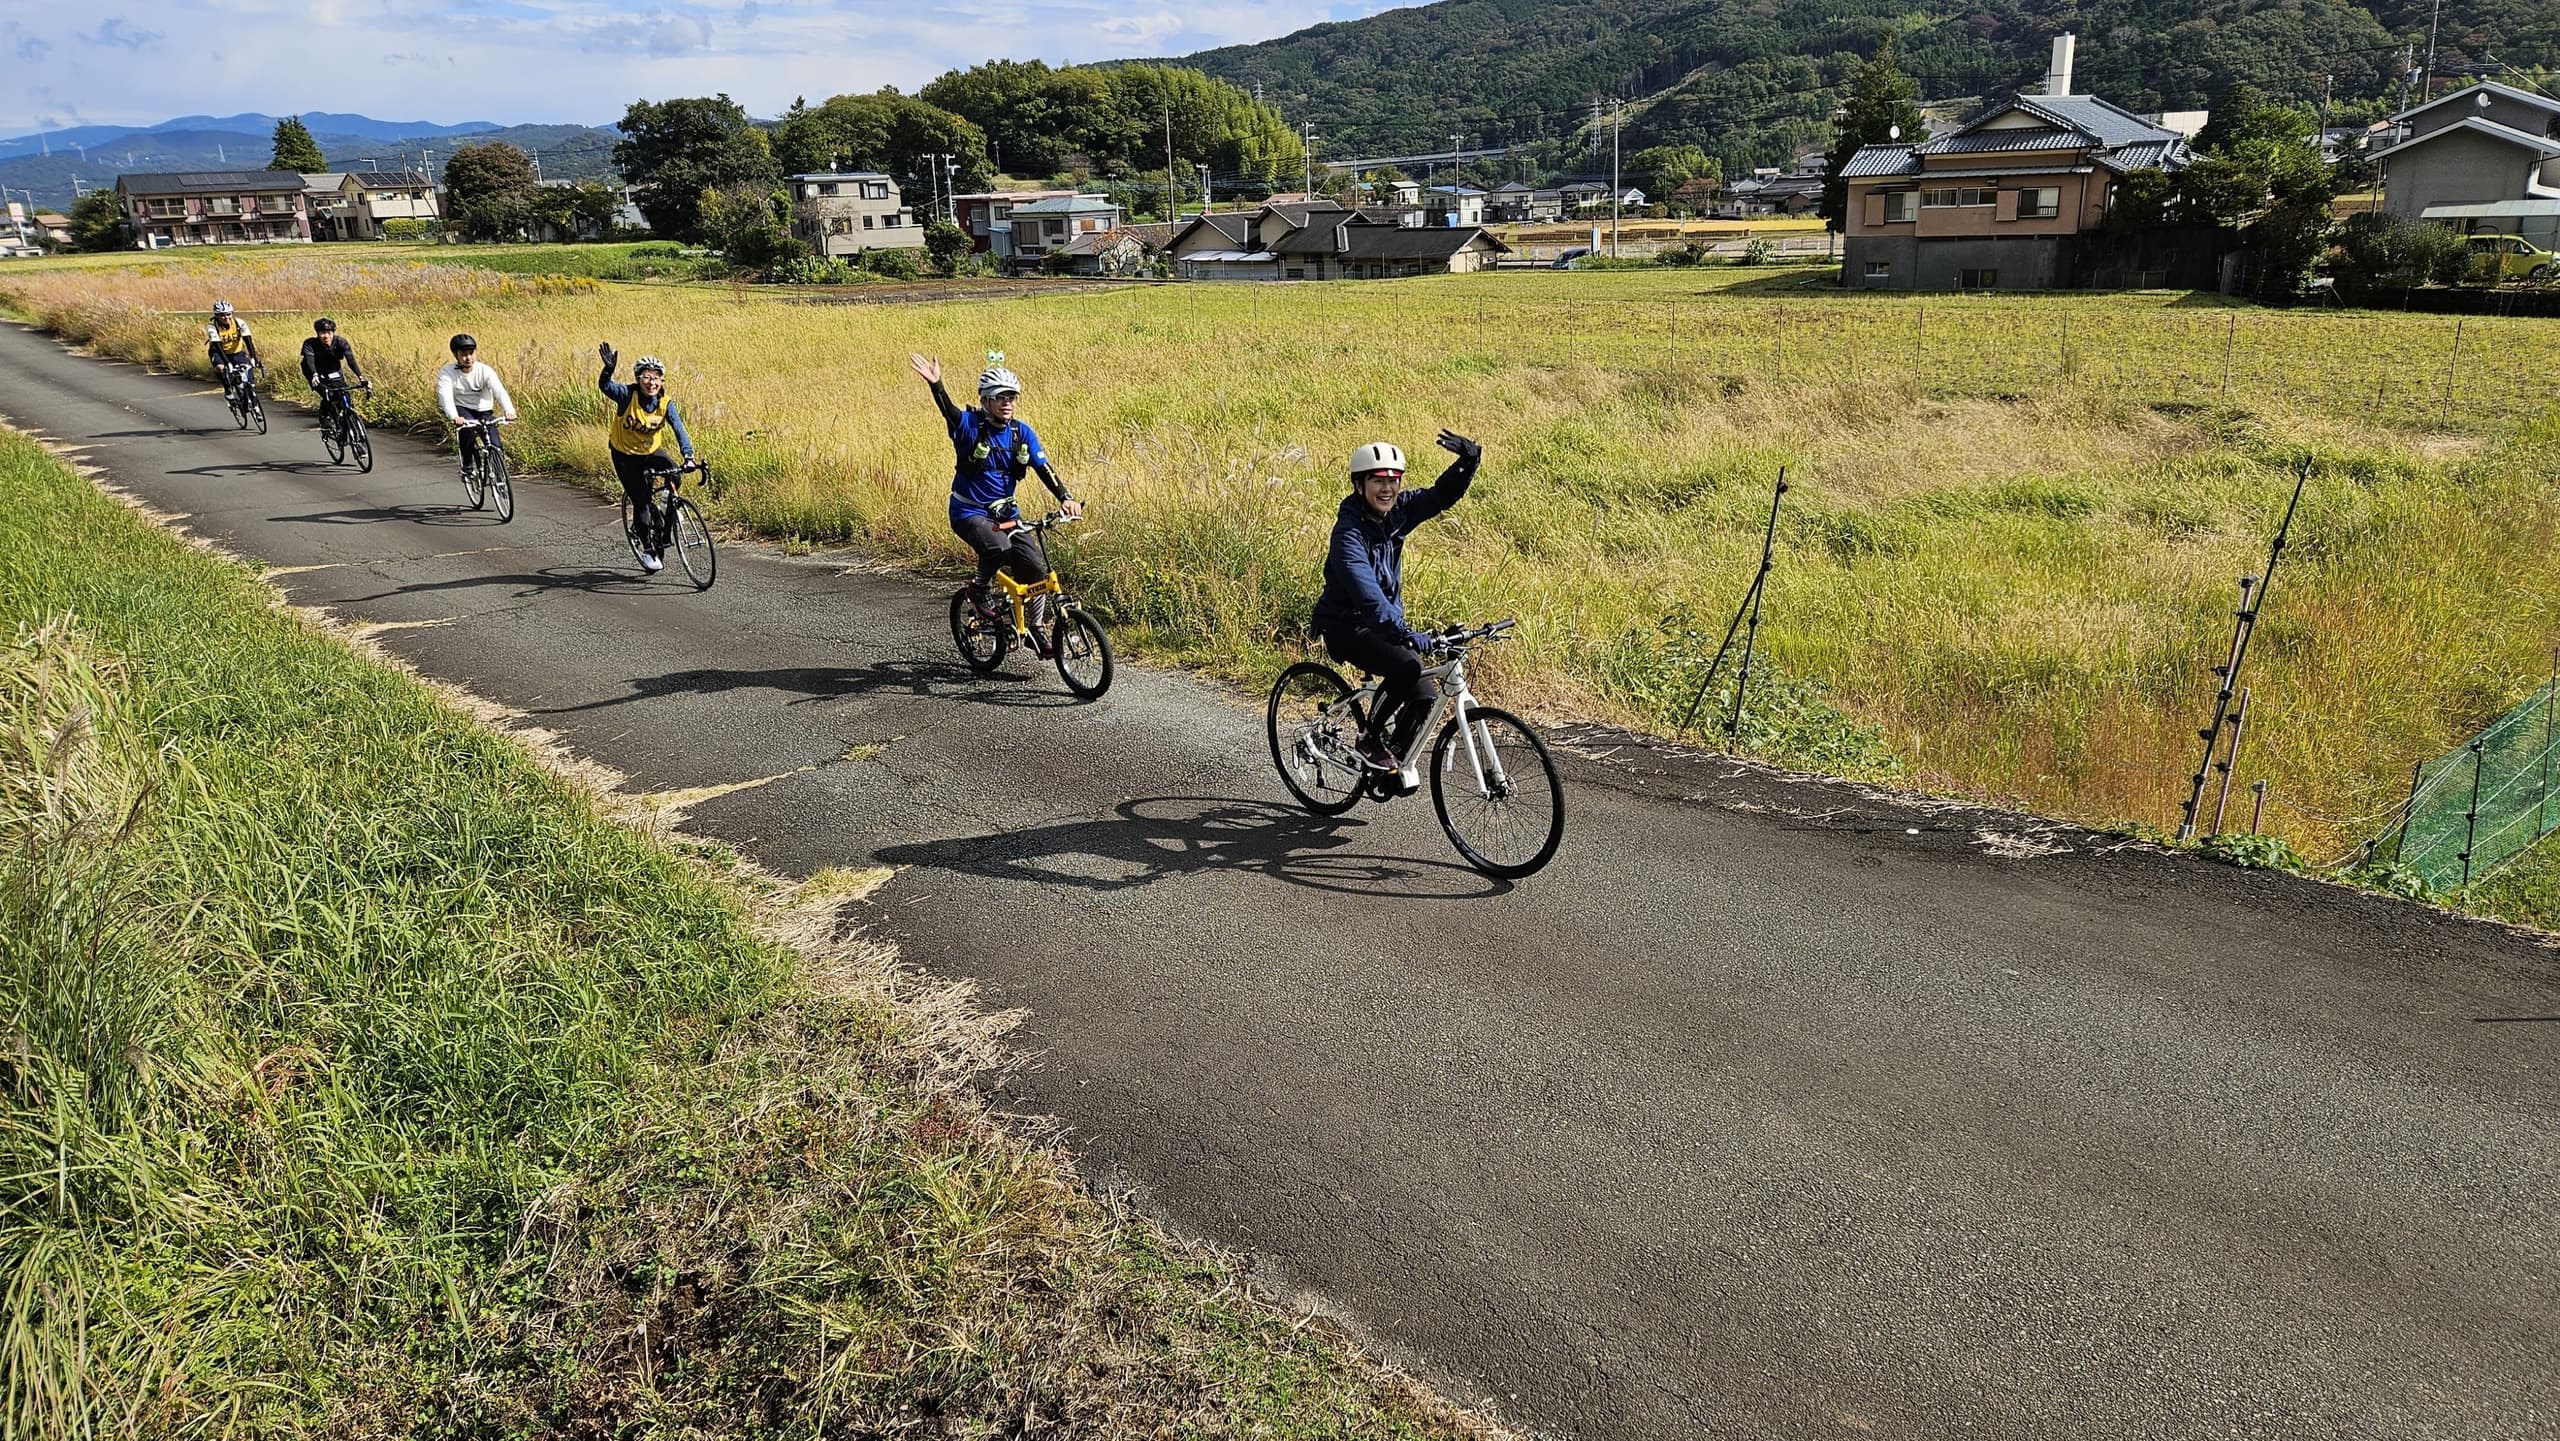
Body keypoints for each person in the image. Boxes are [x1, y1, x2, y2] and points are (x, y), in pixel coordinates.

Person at [1309, 429, 1481, 782]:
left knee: (1425, 696)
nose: (1388, 488)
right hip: (1346, 625)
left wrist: (1468, 463)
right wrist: (1404, 632)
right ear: (1360, 485)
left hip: (1381, 624)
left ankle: (1389, 765)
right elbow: (1369, 597)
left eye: (1394, 480)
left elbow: (1438, 497)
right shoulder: (1348, 535)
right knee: (1406, 667)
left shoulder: (1398, 513)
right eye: (1378, 481)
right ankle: (1368, 738)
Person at [907, 350, 1083, 647]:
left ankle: (1034, 627)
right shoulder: (969, 427)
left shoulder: (1021, 433)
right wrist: (937, 385)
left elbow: (1043, 467)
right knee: (998, 548)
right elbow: (949, 411)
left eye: (1012, 397)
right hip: (969, 511)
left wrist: (1065, 497)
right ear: (986, 400)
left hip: (1006, 513)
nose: (1008, 403)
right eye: (1001, 397)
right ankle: (978, 589)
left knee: (1035, 570)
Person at [596, 342, 696, 574]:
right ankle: (648, 549)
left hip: (651, 451)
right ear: (638, 379)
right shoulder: (626, 395)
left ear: (662, 381)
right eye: (646, 377)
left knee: (675, 473)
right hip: (625, 455)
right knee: (640, 502)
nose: (652, 382)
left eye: (657, 378)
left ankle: (664, 507)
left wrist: (688, 455)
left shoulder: (664, 403)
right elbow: (605, 386)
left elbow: (679, 429)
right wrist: (608, 370)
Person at [434, 333, 517, 479]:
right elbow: (445, 396)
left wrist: (509, 410)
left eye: (471, 353)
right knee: (467, 432)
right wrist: (454, 416)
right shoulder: (447, 373)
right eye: (464, 354)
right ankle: (467, 467)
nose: (468, 358)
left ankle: (500, 479)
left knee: (496, 445)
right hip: (462, 409)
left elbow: (499, 390)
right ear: (456, 355)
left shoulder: (484, 370)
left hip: (484, 411)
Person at [300, 318, 367, 428]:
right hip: (314, 371)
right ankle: (324, 416)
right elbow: (309, 360)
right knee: (328, 394)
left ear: (333, 333)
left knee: (343, 393)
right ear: (318, 334)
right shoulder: (310, 344)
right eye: (322, 333)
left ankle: (345, 419)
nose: (326, 336)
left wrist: (361, 377)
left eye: (329, 333)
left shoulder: (341, 342)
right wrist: (314, 374)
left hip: (332, 369)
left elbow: (351, 360)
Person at [205, 300, 260, 402]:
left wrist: (253, 357)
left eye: (228, 314)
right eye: (222, 315)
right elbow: (218, 346)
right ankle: (228, 390)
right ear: (217, 316)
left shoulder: (239, 323)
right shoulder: (212, 327)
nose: (226, 318)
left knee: (247, 372)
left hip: (236, 352)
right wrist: (227, 363)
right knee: (221, 368)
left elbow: (248, 341)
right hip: (219, 353)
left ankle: (249, 397)